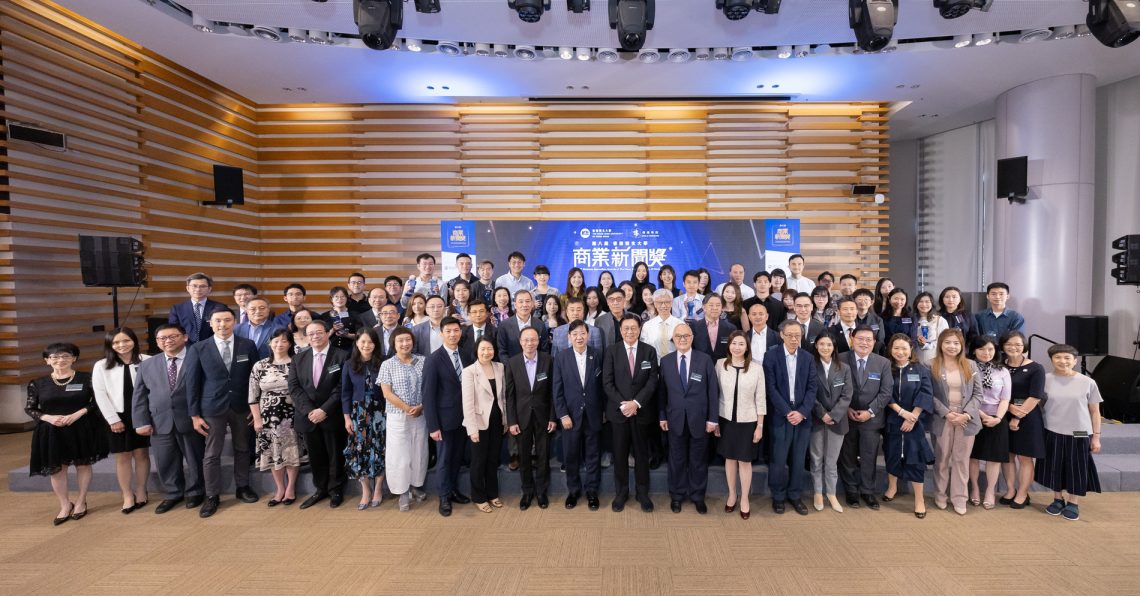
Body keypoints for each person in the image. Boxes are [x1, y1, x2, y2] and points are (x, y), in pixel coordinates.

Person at [184, 307, 261, 518]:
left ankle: (242, 487)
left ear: (235, 321)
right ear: (210, 322)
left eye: (227, 320)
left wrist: (255, 407)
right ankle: (212, 496)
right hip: (211, 408)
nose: (223, 325)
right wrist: (194, 415)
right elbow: (192, 384)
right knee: (211, 454)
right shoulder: (199, 348)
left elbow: (255, 378)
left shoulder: (248, 345)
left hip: (242, 406)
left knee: (243, 448)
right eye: (218, 321)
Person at [27, 342, 108, 525]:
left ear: (74, 358)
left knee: (83, 464)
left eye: (65, 356)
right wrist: (48, 418)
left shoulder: (86, 378)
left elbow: (97, 402)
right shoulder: (38, 383)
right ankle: (64, 504)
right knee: (57, 468)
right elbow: (30, 408)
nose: (60, 360)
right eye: (54, 357)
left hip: (81, 427)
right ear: (47, 361)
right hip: (51, 430)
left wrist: (78, 413)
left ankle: (81, 501)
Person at [133, 324, 206, 514]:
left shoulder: (198, 357)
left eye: (172, 336)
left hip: (191, 418)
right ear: (157, 342)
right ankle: (173, 493)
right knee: (165, 460)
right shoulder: (147, 364)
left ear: (185, 337)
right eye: (162, 338)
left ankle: (196, 491)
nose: (167, 341)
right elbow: (139, 395)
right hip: (159, 420)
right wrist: (141, 421)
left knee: (195, 458)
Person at [1035, 344, 1103, 521]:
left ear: (1075, 360)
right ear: (1051, 360)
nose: (1062, 361)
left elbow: (1095, 412)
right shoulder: (1045, 379)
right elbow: (1038, 405)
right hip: (1051, 429)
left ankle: (1073, 502)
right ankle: (1057, 499)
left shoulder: (1088, 382)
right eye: (1058, 357)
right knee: (1054, 467)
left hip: (1079, 432)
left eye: (1067, 358)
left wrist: (1096, 437)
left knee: (1077, 467)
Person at [288, 320, 350, 510]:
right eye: (311, 333)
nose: (315, 336)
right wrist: (310, 411)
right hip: (308, 417)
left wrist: (324, 410)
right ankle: (320, 489)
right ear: (306, 336)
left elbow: (342, 387)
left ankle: (336, 489)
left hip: (332, 415)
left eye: (319, 332)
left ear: (327, 333)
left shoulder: (342, 356)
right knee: (316, 456)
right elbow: (294, 388)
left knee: (335, 455)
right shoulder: (299, 358)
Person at [658, 324, 720, 514]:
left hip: (700, 420)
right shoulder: (666, 361)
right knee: (676, 460)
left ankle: (697, 496)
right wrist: (662, 416)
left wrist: (712, 419)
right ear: (673, 339)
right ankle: (676, 496)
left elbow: (713, 391)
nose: (682, 339)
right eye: (678, 336)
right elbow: (662, 392)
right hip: (674, 419)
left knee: (698, 461)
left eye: (686, 335)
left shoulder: (705, 360)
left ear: (692, 337)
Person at [602, 314, 660, 513]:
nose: (630, 331)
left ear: (639, 329)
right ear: (620, 330)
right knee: (619, 455)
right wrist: (624, 405)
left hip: (642, 413)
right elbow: (607, 383)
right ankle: (621, 493)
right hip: (619, 414)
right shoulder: (612, 351)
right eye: (626, 328)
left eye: (633, 328)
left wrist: (636, 403)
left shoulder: (649, 352)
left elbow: (653, 381)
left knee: (642, 455)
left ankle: (642, 493)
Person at [92, 327, 151, 514]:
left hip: (141, 414)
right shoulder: (101, 366)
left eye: (126, 340)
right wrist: (112, 419)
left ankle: (141, 489)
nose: (121, 345)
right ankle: (127, 494)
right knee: (123, 456)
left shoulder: (147, 361)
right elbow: (100, 395)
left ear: (134, 341)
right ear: (110, 345)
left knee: (141, 454)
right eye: (116, 342)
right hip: (116, 416)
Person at [763, 320, 817, 515]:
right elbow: (771, 388)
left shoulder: (808, 358)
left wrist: (801, 412)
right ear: (782, 335)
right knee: (778, 458)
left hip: (802, 417)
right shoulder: (770, 356)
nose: (794, 339)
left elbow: (813, 388)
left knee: (798, 458)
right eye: (790, 335)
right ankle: (777, 496)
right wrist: (787, 411)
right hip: (780, 415)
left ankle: (795, 495)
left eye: (798, 335)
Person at [422, 316, 473, 516]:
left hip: (464, 418)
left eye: (456, 330)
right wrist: (433, 426)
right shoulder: (433, 359)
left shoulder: (467, 354)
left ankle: (453, 490)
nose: (453, 334)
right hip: (444, 421)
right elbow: (427, 395)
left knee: (457, 458)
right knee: (444, 460)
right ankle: (443, 497)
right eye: (448, 331)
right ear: (441, 333)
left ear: (461, 332)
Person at [838, 326, 893, 510]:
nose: (864, 343)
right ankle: (852, 492)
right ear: (852, 338)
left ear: (874, 342)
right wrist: (846, 409)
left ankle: (868, 492)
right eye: (860, 338)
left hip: (872, 419)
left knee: (869, 456)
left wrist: (870, 411)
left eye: (869, 339)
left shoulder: (883, 362)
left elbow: (886, 393)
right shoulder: (840, 358)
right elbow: (835, 387)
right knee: (848, 456)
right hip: (847, 415)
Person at [249, 328, 305, 508]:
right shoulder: (260, 365)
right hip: (267, 417)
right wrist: (257, 419)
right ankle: (279, 488)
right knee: (273, 453)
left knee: (291, 451)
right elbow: (252, 395)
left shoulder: (297, 363)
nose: (279, 344)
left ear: (290, 344)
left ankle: (290, 488)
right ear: (270, 343)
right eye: (275, 341)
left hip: (291, 415)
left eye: (284, 341)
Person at [553, 320, 605, 510]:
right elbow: (557, 390)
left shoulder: (597, 355)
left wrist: (603, 412)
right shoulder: (561, 358)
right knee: (571, 456)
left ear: (588, 335)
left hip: (593, 415)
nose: (579, 337)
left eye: (583, 333)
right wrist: (562, 414)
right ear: (569, 337)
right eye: (575, 334)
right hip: (570, 417)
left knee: (593, 455)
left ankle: (592, 492)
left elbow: (602, 387)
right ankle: (573, 491)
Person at [882, 334, 936, 519]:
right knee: (892, 454)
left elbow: (926, 393)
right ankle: (892, 487)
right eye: (896, 348)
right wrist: (901, 413)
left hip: (915, 421)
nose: (900, 352)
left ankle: (919, 500)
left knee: (915, 459)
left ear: (911, 349)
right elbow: (885, 394)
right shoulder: (886, 368)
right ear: (890, 349)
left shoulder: (920, 369)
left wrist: (912, 416)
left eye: (904, 348)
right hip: (893, 419)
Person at [929, 328, 983, 515]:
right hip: (942, 418)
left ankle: (960, 498)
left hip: (965, 419)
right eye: (947, 342)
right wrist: (946, 413)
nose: (952, 346)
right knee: (942, 458)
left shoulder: (970, 365)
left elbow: (978, 394)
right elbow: (929, 395)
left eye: (956, 343)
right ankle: (940, 495)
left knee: (961, 460)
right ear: (940, 345)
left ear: (961, 346)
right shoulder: (931, 365)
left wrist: (966, 414)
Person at [504, 327, 556, 510]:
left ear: (538, 341)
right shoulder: (512, 363)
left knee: (543, 456)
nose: (529, 343)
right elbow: (509, 395)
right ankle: (527, 492)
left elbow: (552, 392)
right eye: (526, 340)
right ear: (520, 341)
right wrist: (511, 421)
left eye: (533, 340)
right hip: (521, 417)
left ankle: (541, 492)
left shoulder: (548, 360)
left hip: (543, 417)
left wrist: (552, 417)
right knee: (524, 457)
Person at [378, 327, 428, 512]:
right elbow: (386, 393)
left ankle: (415, 486)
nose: (405, 344)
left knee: (418, 450)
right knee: (399, 454)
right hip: (397, 415)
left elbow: (429, 387)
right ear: (394, 344)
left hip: (420, 413)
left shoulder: (423, 361)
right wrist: (407, 408)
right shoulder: (387, 364)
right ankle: (402, 492)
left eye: (408, 340)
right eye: (400, 341)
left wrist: (421, 407)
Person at [716, 331, 765, 520]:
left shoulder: (756, 368)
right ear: (729, 346)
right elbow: (715, 394)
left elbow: (760, 399)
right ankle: (732, 494)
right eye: (734, 343)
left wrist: (760, 425)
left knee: (745, 461)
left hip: (748, 420)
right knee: (729, 459)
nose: (737, 347)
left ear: (747, 347)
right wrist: (714, 420)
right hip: (726, 419)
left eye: (741, 344)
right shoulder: (720, 364)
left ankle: (744, 498)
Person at [999, 331, 1046, 509]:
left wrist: (1017, 416)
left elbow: (1035, 396)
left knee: (1025, 458)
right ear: (1003, 346)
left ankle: (1022, 493)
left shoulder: (1036, 368)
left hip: (1029, 416)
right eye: (1009, 344)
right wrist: (1009, 409)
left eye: (1018, 345)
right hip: (1004, 414)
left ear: (1024, 346)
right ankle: (1010, 490)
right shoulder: (999, 366)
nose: (1014, 348)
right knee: (1007, 455)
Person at [341, 327, 387, 510]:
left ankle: (378, 489)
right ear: (357, 343)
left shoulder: (384, 362)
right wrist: (347, 418)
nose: (366, 345)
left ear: (375, 344)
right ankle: (365, 490)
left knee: (380, 449)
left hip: (380, 413)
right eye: (362, 342)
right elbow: (345, 393)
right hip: (358, 413)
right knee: (360, 451)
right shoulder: (349, 364)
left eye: (370, 342)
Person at [462, 337, 507, 513]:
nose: (486, 352)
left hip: (497, 420)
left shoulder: (500, 367)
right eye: (482, 349)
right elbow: (467, 403)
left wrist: (505, 420)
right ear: (476, 351)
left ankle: (492, 494)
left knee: (492, 459)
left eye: (489, 348)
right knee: (478, 461)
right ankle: (479, 497)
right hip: (479, 422)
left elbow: (503, 397)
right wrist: (472, 429)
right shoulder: (469, 371)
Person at [809, 334, 852, 513]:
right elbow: (809, 392)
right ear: (816, 346)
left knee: (832, 461)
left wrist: (833, 415)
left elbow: (847, 395)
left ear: (834, 347)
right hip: (817, 419)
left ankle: (831, 493)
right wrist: (822, 414)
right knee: (816, 458)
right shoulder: (810, 365)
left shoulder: (844, 368)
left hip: (838, 421)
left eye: (829, 344)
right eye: (821, 344)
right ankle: (818, 492)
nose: (825, 347)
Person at [968, 336, 1012, 509]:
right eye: (982, 349)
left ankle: (990, 491)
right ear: (974, 350)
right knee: (973, 456)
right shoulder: (968, 368)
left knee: (994, 459)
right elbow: (967, 394)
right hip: (973, 415)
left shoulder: (1003, 371)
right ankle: (975, 489)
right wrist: (980, 414)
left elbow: (1005, 398)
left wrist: (998, 418)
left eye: (990, 349)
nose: (986, 353)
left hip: (997, 418)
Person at [169, 272, 225, 344]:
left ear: (209, 289)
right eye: (194, 286)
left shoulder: (220, 307)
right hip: (186, 348)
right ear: (188, 288)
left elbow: (222, 330)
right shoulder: (177, 309)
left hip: (212, 347)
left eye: (202, 286)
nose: (198, 289)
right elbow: (174, 330)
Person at [496, 290, 548, 363]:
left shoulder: (540, 324)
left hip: (535, 368)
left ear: (532, 304)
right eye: (521, 302)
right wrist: (512, 369)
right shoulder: (504, 325)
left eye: (527, 301)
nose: (524, 305)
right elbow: (502, 352)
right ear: (515, 305)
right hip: (512, 369)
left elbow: (544, 350)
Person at [641, 289, 683, 362]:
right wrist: (645, 370)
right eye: (660, 302)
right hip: (654, 365)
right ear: (655, 304)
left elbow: (685, 349)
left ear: (671, 303)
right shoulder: (647, 326)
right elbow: (644, 351)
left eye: (667, 302)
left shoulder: (680, 324)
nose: (663, 305)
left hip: (675, 365)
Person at [692, 294, 736, 361]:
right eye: (711, 305)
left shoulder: (731, 328)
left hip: (723, 367)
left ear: (722, 308)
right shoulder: (694, 327)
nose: (715, 308)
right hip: (701, 367)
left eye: (718, 305)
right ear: (704, 307)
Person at [911, 292, 948, 366]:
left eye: (927, 302)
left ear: (932, 304)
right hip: (915, 358)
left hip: (934, 357)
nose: (924, 304)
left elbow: (944, 340)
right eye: (921, 301)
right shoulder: (912, 319)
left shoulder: (939, 320)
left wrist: (926, 345)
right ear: (916, 304)